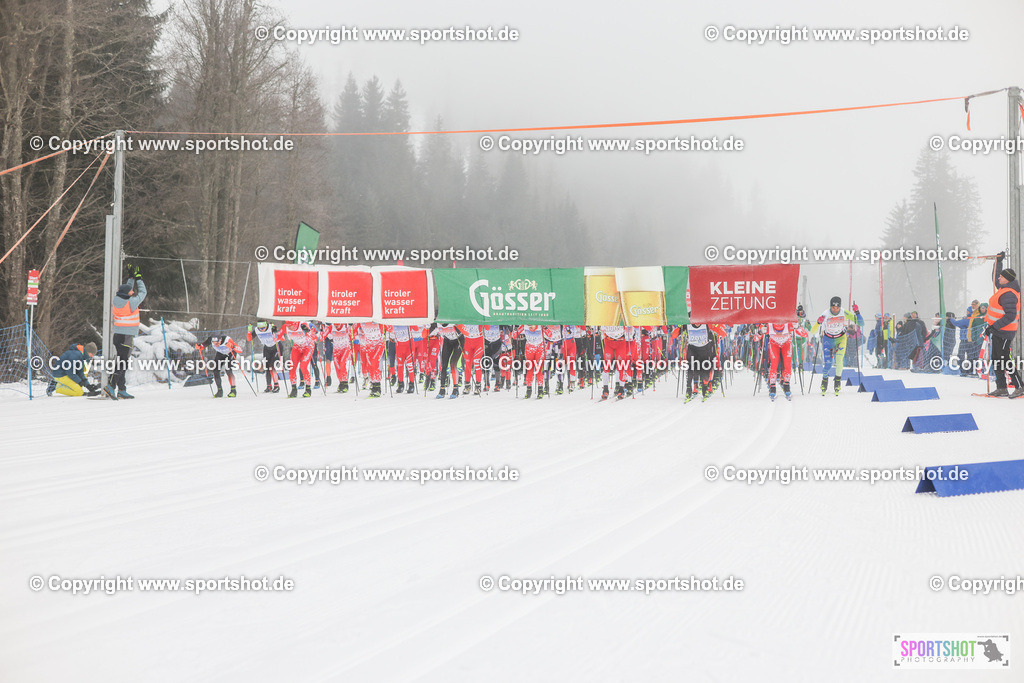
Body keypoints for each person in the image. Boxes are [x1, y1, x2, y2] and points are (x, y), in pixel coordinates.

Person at [104, 264, 147, 400]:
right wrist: (139, 279)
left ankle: (122, 389)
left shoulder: (117, 300)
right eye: (130, 292)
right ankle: (111, 386)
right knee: (122, 363)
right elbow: (143, 292)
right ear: (127, 294)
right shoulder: (131, 303)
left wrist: (131, 278)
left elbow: (126, 289)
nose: (132, 292)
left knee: (122, 361)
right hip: (126, 336)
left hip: (118, 336)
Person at [983, 253, 1023, 397]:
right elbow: (995, 277)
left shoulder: (1009, 294)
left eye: (1001, 276)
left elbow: (1010, 315)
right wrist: (998, 262)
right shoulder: (1003, 289)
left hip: (1005, 331)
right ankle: (1001, 387)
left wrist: (994, 327)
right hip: (998, 330)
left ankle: (1019, 386)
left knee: (1005, 359)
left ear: (1007, 279)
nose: (999, 278)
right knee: (996, 359)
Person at [811, 297, 863, 395]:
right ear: (830, 306)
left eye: (837, 307)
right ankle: (825, 380)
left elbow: (861, 323)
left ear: (840, 306)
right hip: (828, 339)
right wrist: (818, 322)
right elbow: (813, 331)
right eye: (833, 307)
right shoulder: (825, 314)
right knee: (828, 364)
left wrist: (857, 312)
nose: (835, 310)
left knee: (839, 360)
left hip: (841, 338)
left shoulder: (844, 312)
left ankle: (837, 382)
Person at [250, 321, 283, 393]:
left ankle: (276, 386)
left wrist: (276, 331)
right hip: (267, 348)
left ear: (266, 326)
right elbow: (249, 339)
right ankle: (269, 386)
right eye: (260, 328)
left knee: (272, 366)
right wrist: (249, 331)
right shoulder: (256, 330)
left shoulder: (271, 327)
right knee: (267, 367)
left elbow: (282, 338)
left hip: (277, 347)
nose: (261, 329)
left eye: (263, 328)